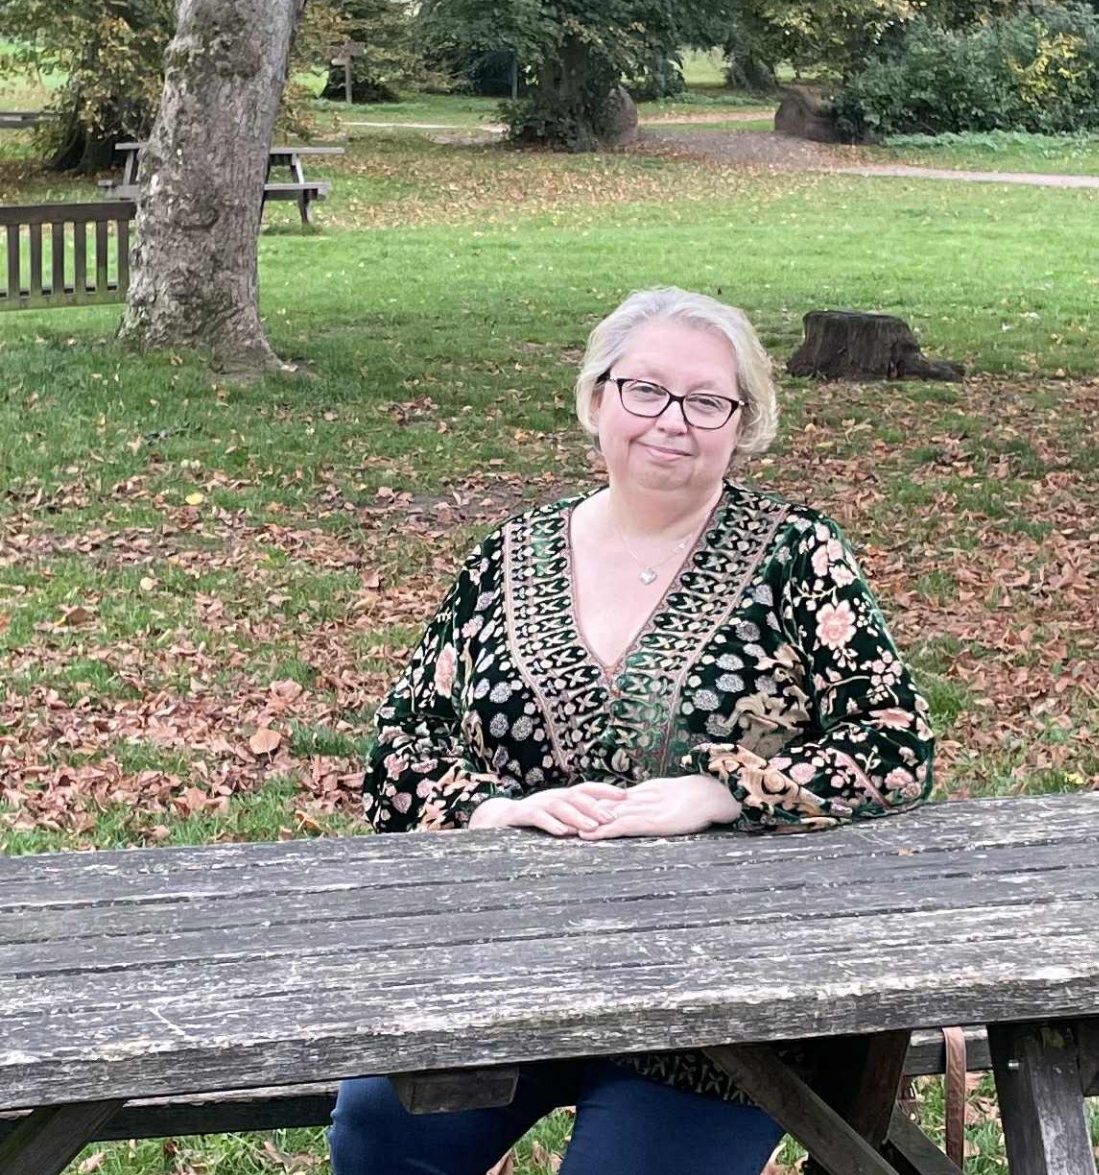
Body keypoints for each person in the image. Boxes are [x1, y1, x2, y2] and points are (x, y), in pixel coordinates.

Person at [329, 287, 936, 1175]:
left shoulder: (797, 555)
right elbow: (402, 749)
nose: (671, 422)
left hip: (723, 1000)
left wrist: (724, 792)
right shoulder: (507, 555)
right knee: (380, 1135)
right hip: (508, 970)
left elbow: (894, 742)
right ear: (597, 399)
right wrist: (497, 809)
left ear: (743, 422)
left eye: (706, 402)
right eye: (644, 391)